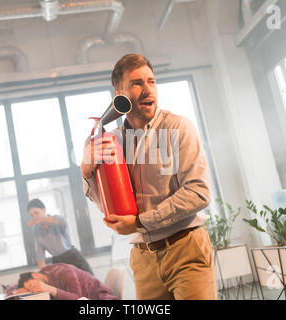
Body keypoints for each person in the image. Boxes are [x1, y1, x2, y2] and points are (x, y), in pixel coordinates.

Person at [80, 54, 217, 300]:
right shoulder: (114, 141)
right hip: (143, 259)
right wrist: (87, 172)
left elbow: (199, 192)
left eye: (151, 81)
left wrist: (141, 222)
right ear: (118, 95)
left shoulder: (178, 128)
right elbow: (111, 208)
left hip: (186, 249)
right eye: (136, 83)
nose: (147, 89)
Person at [27, 198, 93, 275]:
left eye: (36, 213)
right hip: (57, 261)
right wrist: (42, 272)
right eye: (32, 215)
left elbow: (62, 222)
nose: (34, 217)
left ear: (44, 210)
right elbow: (40, 253)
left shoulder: (57, 219)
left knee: (91, 282)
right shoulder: (36, 229)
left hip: (72, 256)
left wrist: (42, 220)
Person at [15, 263, 117, 300]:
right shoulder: (44, 272)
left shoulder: (64, 272)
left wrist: (49, 289)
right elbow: (14, 286)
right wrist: (18, 291)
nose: (34, 289)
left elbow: (78, 298)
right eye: (31, 290)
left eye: (32, 285)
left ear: (35, 275)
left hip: (98, 297)